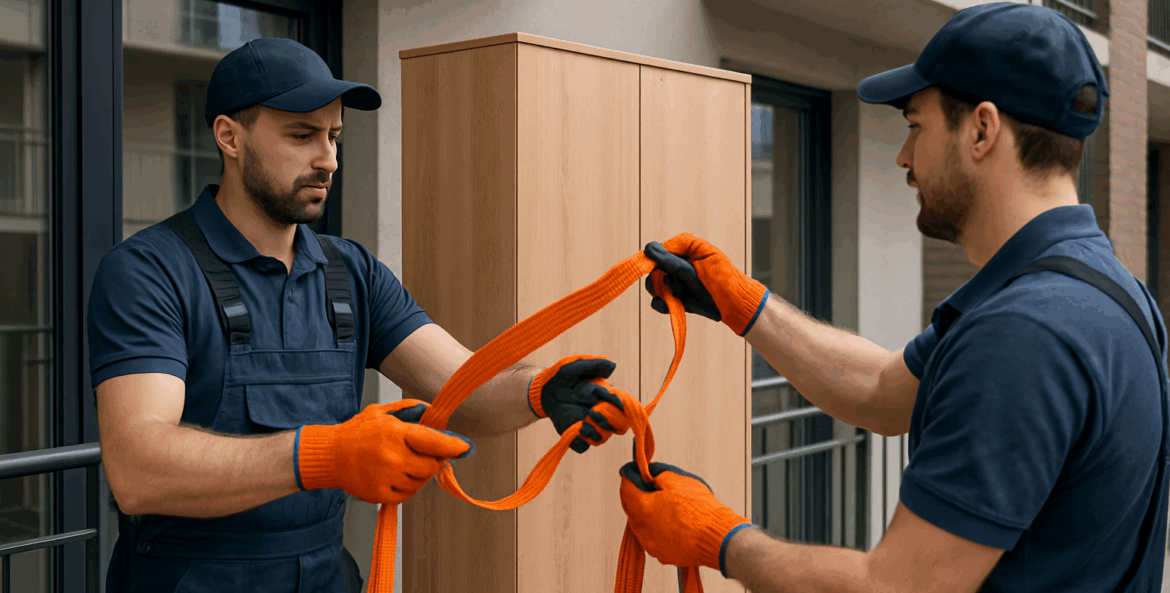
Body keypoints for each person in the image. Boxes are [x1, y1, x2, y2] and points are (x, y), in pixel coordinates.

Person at [626, 3, 1170, 591]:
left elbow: (894, 588)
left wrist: (716, 539)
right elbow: (883, 389)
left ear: (982, 130)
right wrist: (742, 303)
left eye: (916, 126)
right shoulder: (1103, 290)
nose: (904, 156)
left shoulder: (1023, 334)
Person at [90, 38, 623, 593]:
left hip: (325, 577)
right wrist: (330, 455)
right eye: (302, 136)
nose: (328, 160)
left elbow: (463, 390)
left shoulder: (352, 274)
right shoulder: (148, 271)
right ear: (229, 136)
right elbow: (138, 468)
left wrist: (539, 391)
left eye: (334, 136)